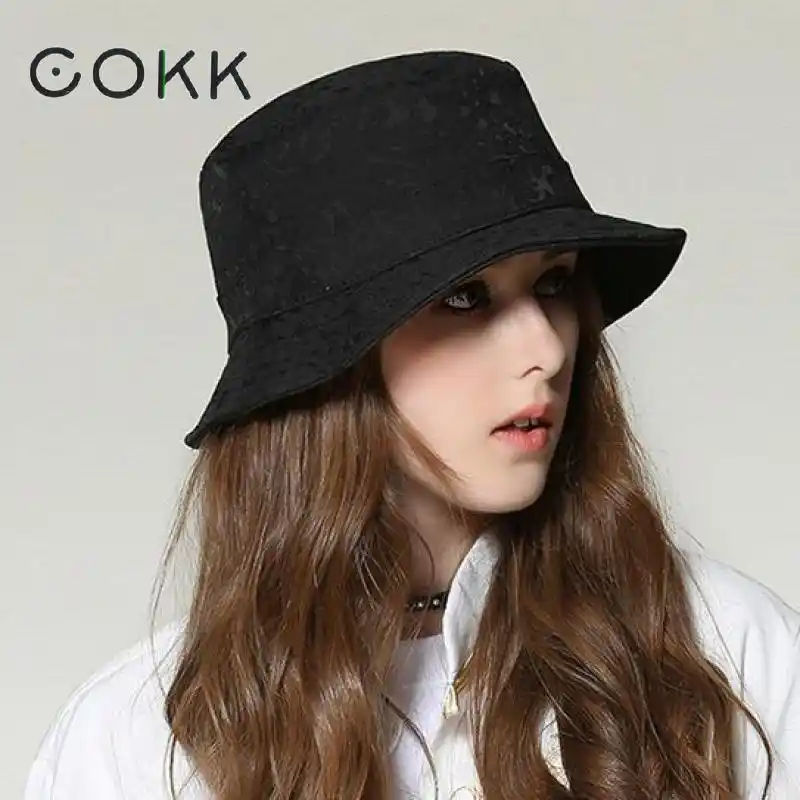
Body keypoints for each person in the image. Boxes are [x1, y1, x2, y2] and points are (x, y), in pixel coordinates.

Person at [24, 50, 800, 800]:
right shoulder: (138, 741)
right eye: (464, 298)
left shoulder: (726, 649)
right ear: (334, 367)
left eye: (554, 284)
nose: (545, 347)